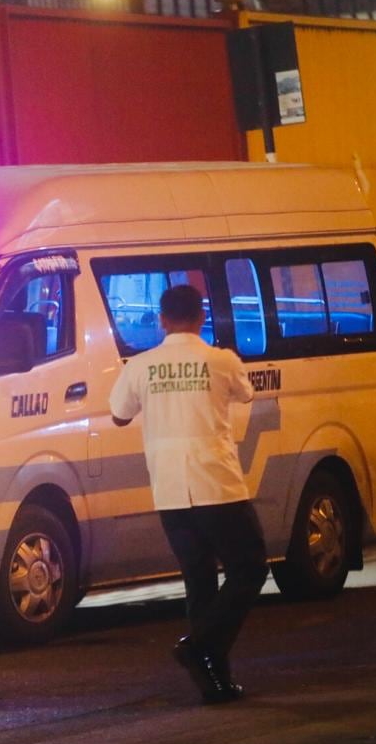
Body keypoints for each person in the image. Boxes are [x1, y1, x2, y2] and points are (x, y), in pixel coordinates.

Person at [108, 284, 268, 704]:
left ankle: (213, 680)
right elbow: (245, 392)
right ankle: (200, 647)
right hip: (217, 482)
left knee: (199, 581)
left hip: (170, 489)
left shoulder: (140, 366)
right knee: (249, 568)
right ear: (201, 317)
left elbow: (119, 415)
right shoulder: (220, 360)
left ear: (161, 320)